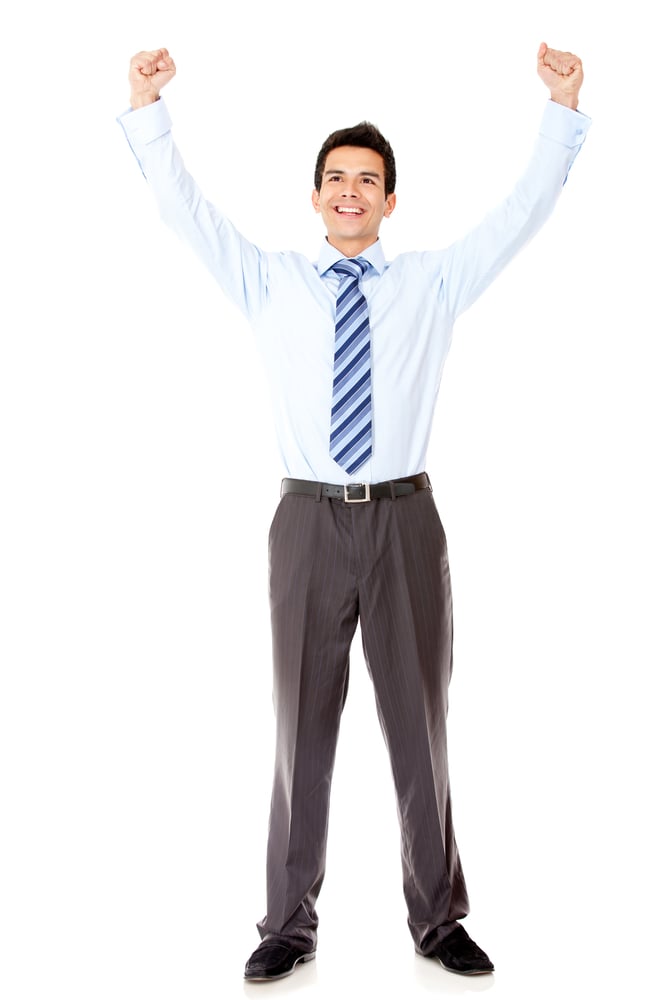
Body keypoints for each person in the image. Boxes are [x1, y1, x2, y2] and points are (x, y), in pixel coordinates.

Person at [119, 42, 589, 981]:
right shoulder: (269, 282)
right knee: (301, 728)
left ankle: (437, 918)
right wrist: (146, 107)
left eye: (366, 181)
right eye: (334, 178)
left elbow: (521, 214)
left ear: (389, 200)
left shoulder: (431, 283)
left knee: (420, 725)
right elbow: (183, 212)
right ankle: (286, 924)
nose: (348, 192)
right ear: (314, 194)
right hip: (305, 523)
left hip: (404, 522)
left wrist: (560, 109)